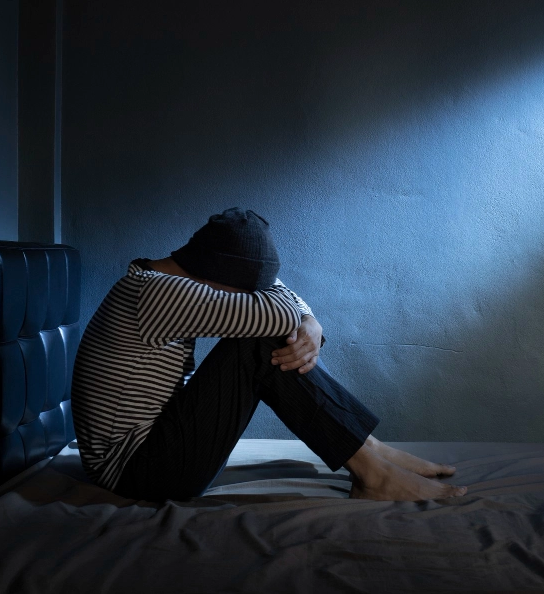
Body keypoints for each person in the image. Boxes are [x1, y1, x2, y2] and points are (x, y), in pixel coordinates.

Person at [71, 207, 467, 502]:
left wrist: (309, 319)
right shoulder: (159, 295)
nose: (246, 297)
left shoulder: (157, 280)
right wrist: (308, 320)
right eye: (243, 290)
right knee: (256, 343)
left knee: (261, 336)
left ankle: (368, 451)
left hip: (152, 450)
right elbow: (278, 311)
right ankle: (371, 471)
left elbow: (277, 297)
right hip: (138, 473)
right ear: (213, 273)